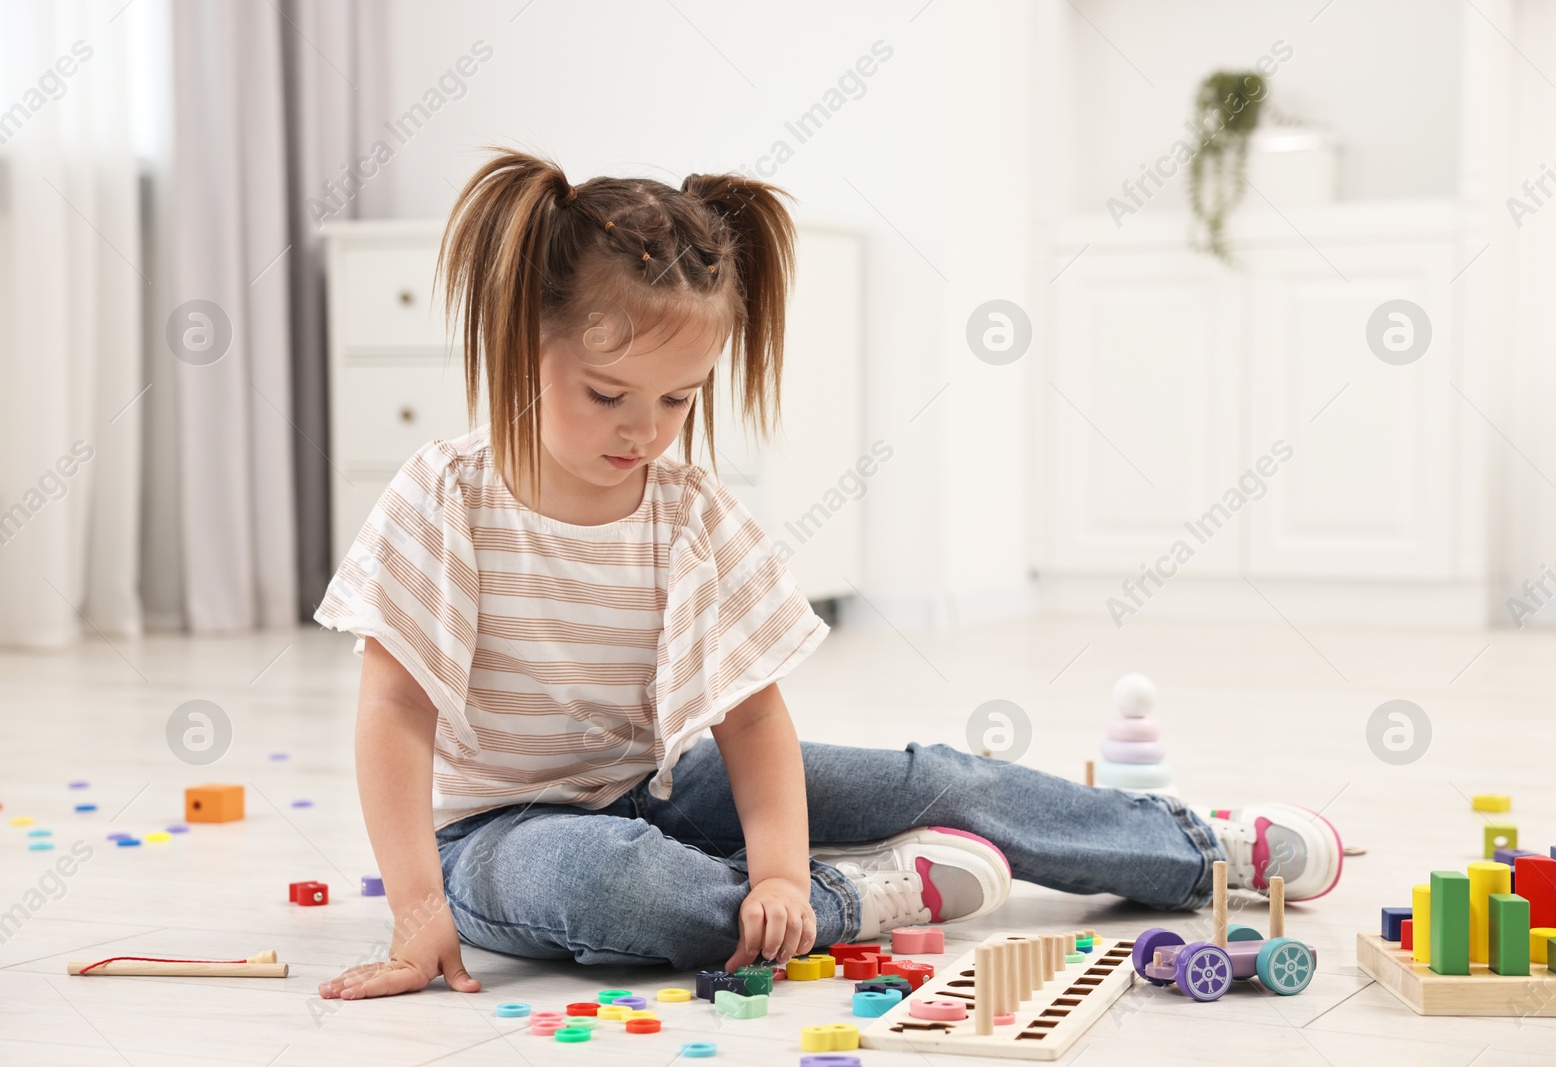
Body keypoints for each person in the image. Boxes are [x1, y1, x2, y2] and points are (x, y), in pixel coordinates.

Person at [314, 149, 1341, 1001]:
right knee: (630, 888)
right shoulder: (448, 495)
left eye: (678, 400)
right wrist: (417, 909)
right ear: (520, 338)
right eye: (608, 392)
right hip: (501, 832)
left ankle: (1192, 850)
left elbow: (752, 720)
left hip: (653, 783)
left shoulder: (689, 511)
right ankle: (862, 896)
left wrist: (773, 867)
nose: (643, 429)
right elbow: (393, 712)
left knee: (929, 775)